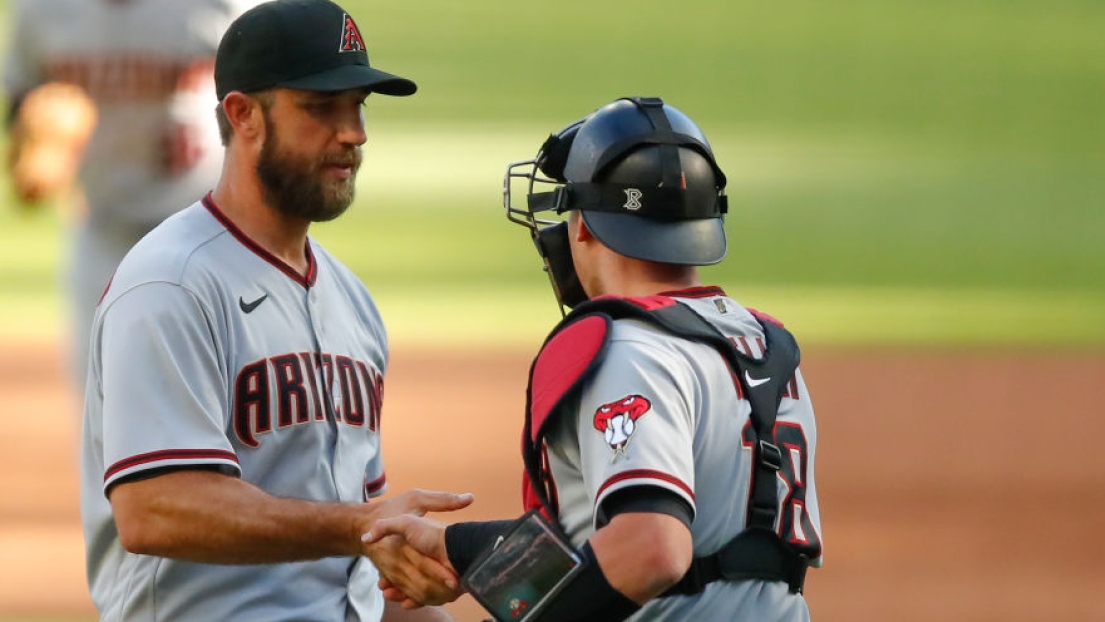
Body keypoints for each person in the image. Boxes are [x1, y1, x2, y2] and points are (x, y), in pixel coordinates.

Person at [79, 1, 471, 620]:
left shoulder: (351, 300)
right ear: (244, 115)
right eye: (321, 109)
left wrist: (379, 545)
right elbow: (154, 509)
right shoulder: (171, 284)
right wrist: (356, 527)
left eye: (358, 107)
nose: (354, 133)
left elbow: (361, 564)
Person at [364, 97, 824, 621]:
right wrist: (462, 550)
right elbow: (653, 549)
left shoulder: (631, 351)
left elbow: (652, 550)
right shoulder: (760, 343)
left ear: (584, 226)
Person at [3, 0, 265, 392]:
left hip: (212, 231)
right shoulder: (42, 9)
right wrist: (28, 132)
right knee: (103, 404)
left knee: (226, 399)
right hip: (104, 232)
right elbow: (21, 90)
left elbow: (278, 98)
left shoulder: (225, 5)